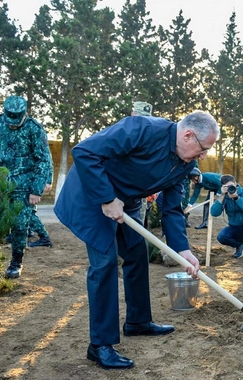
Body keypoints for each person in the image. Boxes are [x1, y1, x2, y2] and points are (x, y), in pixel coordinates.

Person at [54, 110, 220, 370]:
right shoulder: (142, 129)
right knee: (105, 263)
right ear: (188, 135)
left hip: (127, 202)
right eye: (203, 149)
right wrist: (107, 199)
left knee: (136, 254)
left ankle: (138, 322)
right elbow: (84, 152)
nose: (204, 156)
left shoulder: (185, 164)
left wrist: (183, 249)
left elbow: (172, 208)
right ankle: (99, 345)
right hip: (93, 195)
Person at [0, 95, 53, 278]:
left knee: (19, 225)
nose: (12, 124)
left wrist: (36, 189)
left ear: (24, 114)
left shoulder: (34, 129)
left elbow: (43, 161)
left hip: (23, 186)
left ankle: (16, 263)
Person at [210, 174, 243, 265]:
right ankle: (240, 245)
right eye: (227, 187)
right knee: (221, 236)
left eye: (231, 186)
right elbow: (214, 213)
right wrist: (222, 196)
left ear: (235, 183)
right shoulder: (224, 196)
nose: (230, 188)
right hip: (236, 228)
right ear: (223, 187)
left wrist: (237, 198)